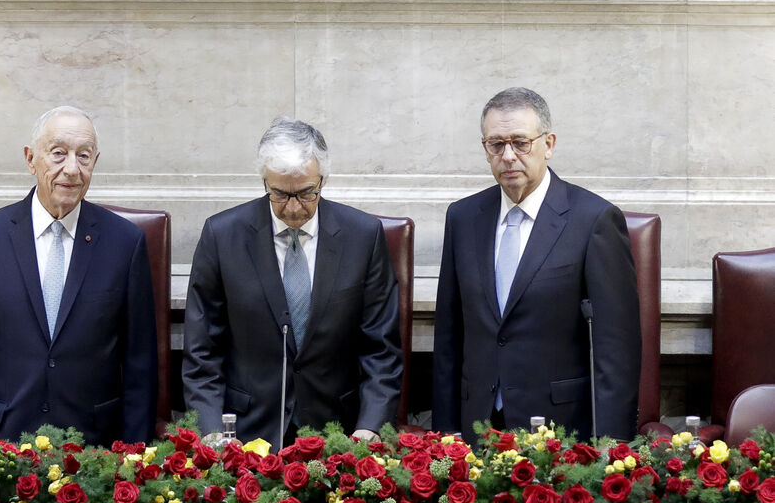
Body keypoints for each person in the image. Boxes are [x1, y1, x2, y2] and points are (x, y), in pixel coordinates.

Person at [432, 87, 641, 443]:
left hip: (561, 433)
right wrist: (446, 433)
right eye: (496, 144)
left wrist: (611, 450)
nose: (508, 156)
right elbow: (449, 337)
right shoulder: (463, 217)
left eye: (520, 142)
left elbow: (616, 352)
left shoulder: (594, 220)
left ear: (549, 144)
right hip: (478, 428)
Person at [0, 106, 158, 446]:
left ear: (94, 163)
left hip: (93, 449)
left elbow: (139, 365)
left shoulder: (125, 243)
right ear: (31, 159)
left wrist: (135, 456)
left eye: (83, 156)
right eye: (58, 153)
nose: (71, 169)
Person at [183, 116, 403, 449]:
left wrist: (369, 427)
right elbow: (202, 350)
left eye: (305, 193)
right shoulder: (222, 235)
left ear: (323, 180)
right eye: (280, 195)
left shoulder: (363, 237)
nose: (294, 208)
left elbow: (381, 349)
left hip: (338, 433)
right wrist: (211, 432)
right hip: (244, 434)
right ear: (264, 181)